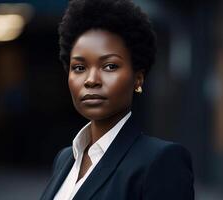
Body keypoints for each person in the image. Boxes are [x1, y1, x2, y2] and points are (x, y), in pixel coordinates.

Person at [40, 0, 194, 199]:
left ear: (138, 78)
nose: (91, 80)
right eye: (79, 67)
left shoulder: (161, 161)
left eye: (110, 66)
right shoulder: (65, 159)